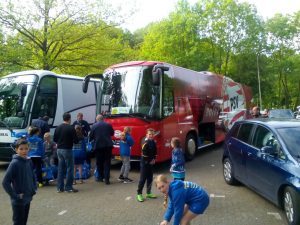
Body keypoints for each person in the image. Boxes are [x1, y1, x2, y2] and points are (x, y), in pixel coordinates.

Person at [2, 139, 37, 225]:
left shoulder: (29, 161)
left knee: (24, 221)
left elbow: (32, 175)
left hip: (27, 197)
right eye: (21, 149)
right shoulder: (14, 163)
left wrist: (33, 188)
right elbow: (5, 182)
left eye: (26, 148)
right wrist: (15, 196)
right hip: (19, 200)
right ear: (16, 150)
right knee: (18, 222)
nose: (24, 151)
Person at [54, 112, 79, 193]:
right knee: (69, 168)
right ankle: (68, 187)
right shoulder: (71, 128)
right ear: (69, 118)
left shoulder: (57, 127)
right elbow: (76, 141)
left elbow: (55, 139)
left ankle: (59, 187)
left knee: (60, 168)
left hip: (59, 150)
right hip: (67, 149)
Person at [89, 114, 114, 185]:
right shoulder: (108, 125)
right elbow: (112, 133)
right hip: (108, 146)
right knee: (107, 162)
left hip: (98, 147)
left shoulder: (94, 126)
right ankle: (107, 179)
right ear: (103, 119)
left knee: (99, 162)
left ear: (97, 119)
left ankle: (100, 177)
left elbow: (91, 137)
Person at [136, 128, 157, 202]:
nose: (151, 136)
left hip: (150, 162)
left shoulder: (153, 141)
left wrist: (154, 159)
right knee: (143, 179)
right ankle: (139, 194)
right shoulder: (145, 142)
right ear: (146, 135)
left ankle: (148, 192)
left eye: (152, 134)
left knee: (150, 178)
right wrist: (149, 161)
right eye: (149, 134)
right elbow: (144, 155)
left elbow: (155, 151)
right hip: (144, 163)